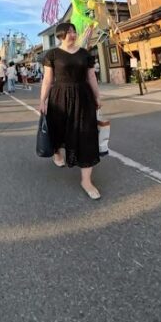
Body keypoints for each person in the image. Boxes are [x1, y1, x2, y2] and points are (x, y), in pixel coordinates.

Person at [39, 22, 103, 200]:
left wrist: (97, 96)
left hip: (83, 96)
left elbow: (91, 76)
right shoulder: (52, 54)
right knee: (58, 129)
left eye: (74, 31)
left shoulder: (84, 54)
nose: (73, 35)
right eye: (68, 32)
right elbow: (47, 80)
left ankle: (86, 180)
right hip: (59, 97)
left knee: (86, 135)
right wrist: (42, 100)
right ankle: (57, 152)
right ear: (60, 35)